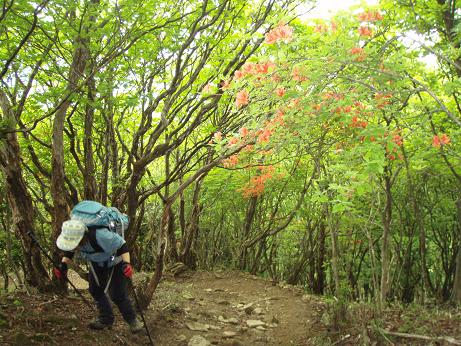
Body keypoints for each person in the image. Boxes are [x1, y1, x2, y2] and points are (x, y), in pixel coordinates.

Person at [53, 220, 143, 333]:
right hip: (97, 261)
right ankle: (106, 319)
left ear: (82, 236)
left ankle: (133, 321)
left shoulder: (101, 236)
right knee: (95, 289)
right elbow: (69, 251)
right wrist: (63, 266)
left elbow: (122, 245)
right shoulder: (75, 238)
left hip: (116, 260)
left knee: (117, 293)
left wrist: (127, 264)